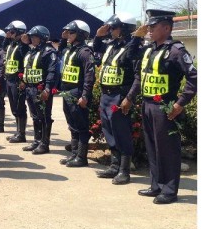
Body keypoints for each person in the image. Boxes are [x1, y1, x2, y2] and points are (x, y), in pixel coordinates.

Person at [129, 9, 197, 204]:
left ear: (166, 28)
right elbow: (130, 56)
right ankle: (156, 185)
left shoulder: (176, 50)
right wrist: (136, 37)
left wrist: (180, 103)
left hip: (165, 108)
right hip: (148, 105)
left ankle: (169, 190)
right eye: (148, 26)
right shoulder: (150, 49)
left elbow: (194, 77)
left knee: (167, 150)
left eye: (153, 26)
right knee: (152, 147)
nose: (149, 29)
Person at [93, 12, 139, 184]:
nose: (111, 31)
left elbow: (138, 76)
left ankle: (124, 171)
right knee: (108, 130)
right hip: (106, 94)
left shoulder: (133, 47)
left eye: (114, 28)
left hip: (120, 95)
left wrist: (129, 98)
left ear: (125, 29)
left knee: (122, 132)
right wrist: (99, 36)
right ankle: (114, 165)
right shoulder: (111, 45)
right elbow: (96, 49)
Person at [58, 20, 96, 168]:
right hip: (67, 91)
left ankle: (81, 157)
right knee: (72, 124)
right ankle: (74, 154)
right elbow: (60, 51)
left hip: (77, 91)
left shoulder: (84, 51)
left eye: (71, 32)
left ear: (80, 35)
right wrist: (63, 38)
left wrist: (85, 95)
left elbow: (89, 75)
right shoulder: (71, 50)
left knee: (81, 126)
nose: (68, 34)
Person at [21, 26, 58, 154]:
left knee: (44, 117)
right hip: (30, 88)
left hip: (40, 89)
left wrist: (47, 89)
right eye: (31, 37)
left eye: (34, 37)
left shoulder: (49, 52)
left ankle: (44, 143)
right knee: (35, 116)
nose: (32, 39)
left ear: (42, 38)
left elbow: (52, 72)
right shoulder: (32, 51)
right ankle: (37, 141)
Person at [2, 20, 30, 143]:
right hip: (9, 79)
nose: (9, 33)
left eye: (12, 31)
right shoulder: (11, 45)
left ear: (19, 32)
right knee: (14, 107)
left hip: (18, 81)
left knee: (19, 107)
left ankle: (21, 134)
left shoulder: (23, 47)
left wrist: (23, 80)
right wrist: (7, 37)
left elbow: (26, 62)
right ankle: (18, 132)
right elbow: (4, 48)